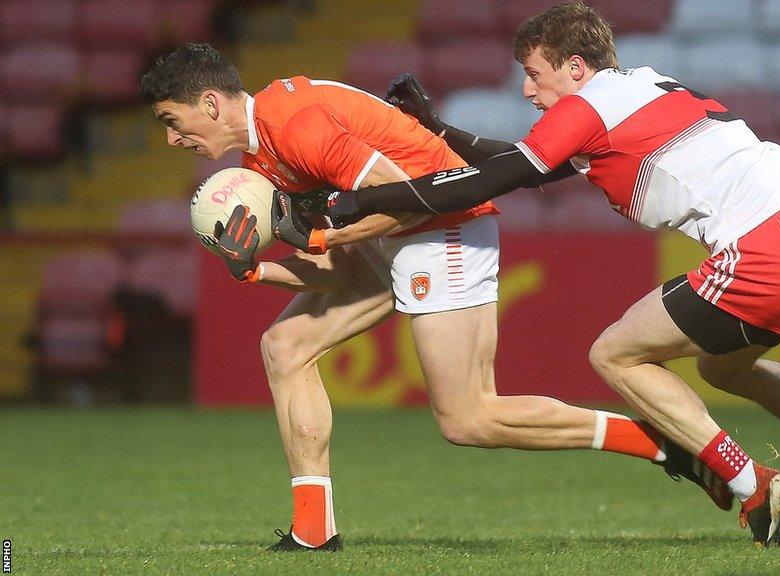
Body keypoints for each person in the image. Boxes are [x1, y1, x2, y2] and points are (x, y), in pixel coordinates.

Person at [323, 1, 780, 546]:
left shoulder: (589, 105)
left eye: (535, 75)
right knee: (725, 368)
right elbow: (528, 166)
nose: (530, 93)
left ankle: (749, 481)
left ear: (576, 68)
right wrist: (438, 129)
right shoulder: (640, 90)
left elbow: (497, 177)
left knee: (616, 355)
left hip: (765, 246)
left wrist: (371, 200)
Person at [139, 43, 731, 552]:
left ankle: (660, 443)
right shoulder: (263, 152)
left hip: (443, 223)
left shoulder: (295, 126)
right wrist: (255, 273)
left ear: (210, 104)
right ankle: (313, 530)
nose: (172, 138)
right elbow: (336, 270)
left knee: (470, 418)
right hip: (397, 236)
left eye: (173, 119)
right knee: (285, 346)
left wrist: (314, 233)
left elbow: (399, 195)